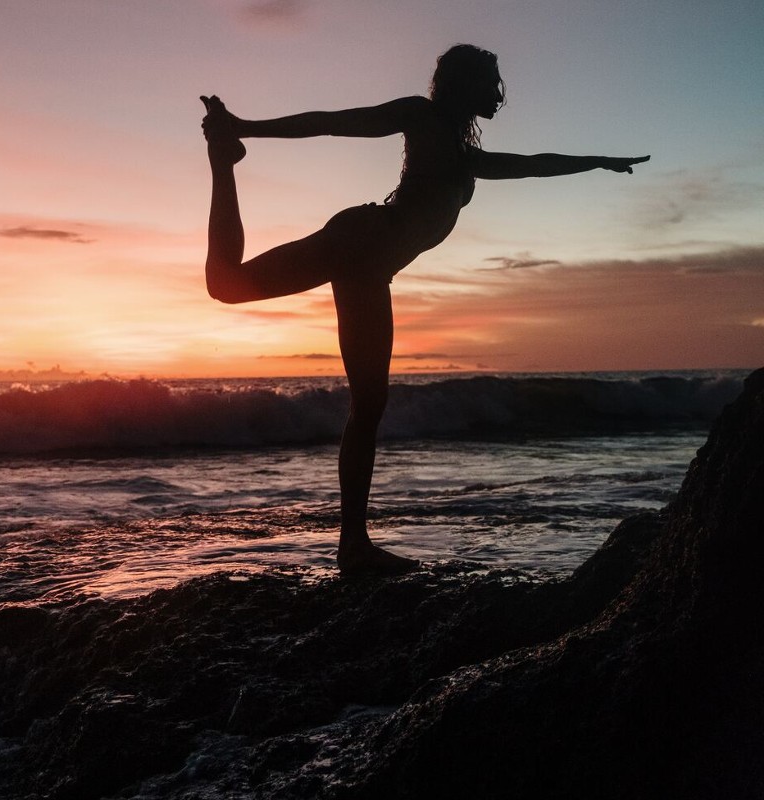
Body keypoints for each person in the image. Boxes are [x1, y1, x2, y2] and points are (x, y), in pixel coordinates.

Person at [200, 44, 649, 577]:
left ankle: (353, 546)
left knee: (369, 405)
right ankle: (223, 161)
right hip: (360, 240)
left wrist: (597, 161)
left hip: (370, 269)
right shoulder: (420, 115)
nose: (498, 93)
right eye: (490, 82)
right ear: (462, 83)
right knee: (227, 286)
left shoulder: (465, 155)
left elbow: (532, 165)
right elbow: (335, 123)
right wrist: (246, 126)